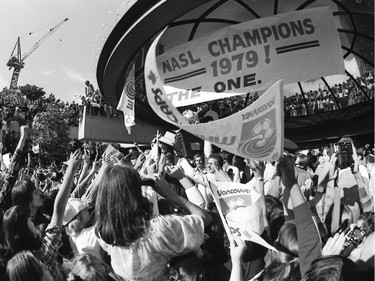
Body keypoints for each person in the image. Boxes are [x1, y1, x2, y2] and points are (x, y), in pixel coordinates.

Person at [94, 164, 212, 281]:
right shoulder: (159, 229)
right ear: (135, 194)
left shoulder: (104, 234)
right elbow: (204, 218)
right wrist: (170, 194)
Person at [3, 150, 83, 281]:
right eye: (35, 192)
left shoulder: (19, 265)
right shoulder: (43, 253)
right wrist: (70, 171)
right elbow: (58, 210)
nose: (40, 193)